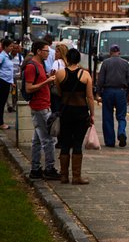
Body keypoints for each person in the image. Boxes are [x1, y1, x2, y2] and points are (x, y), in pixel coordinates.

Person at [54, 48, 95, 184]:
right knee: (77, 143)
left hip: (65, 112)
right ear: (78, 59)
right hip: (81, 113)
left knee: (65, 143)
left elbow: (59, 93)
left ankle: (64, 176)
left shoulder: (60, 74)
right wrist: (92, 114)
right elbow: (89, 97)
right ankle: (76, 177)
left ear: (68, 59)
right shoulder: (86, 75)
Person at [24, 40, 60, 180]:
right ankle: (49, 168)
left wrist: (48, 78)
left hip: (44, 105)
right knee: (49, 139)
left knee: (38, 140)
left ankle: (35, 168)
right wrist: (46, 81)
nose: (48, 53)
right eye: (46, 50)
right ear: (39, 51)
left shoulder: (41, 65)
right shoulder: (32, 67)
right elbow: (29, 87)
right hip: (39, 107)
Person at [96, 44, 129, 148]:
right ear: (119, 52)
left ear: (110, 52)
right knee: (121, 116)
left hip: (108, 92)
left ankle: (110, 141)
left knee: (107, 116)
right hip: (121, 92)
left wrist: (98, 93)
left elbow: (100, 80)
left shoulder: (105, 63)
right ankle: (121, 132)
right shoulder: (125, 63)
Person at [49, 42, 69, 114]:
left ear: (62, 53)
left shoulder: (56, 63)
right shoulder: (69, 64)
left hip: (57, 92)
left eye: (57, 52)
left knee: (56, 112)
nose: (55, 54)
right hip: (67, 92)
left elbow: (53, 77)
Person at [0, 38, 14, 129]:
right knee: (1, 103)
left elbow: (9, 70)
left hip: (7, 82)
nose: (12, 48)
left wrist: (12, 81)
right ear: (5, 46)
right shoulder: (2, 56)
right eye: (10, 46)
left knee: (3, 103)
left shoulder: (7, 56)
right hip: (2, 81)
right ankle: (1, 123)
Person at [7, 41, 24, 113]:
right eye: (13, 48)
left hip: (16, 78)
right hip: (7, 78)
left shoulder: (20, 57)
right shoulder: (7, 56)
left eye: (17, 48)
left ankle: (13, 106)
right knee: (7, 92)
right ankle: (9, 106)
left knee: (14, 93)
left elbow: (21, 68)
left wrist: (19, 75)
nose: (15, 50)